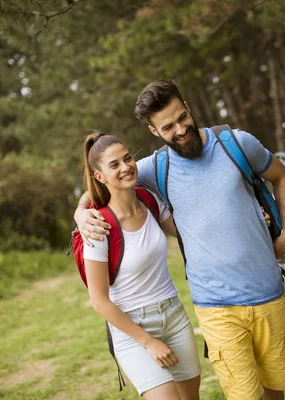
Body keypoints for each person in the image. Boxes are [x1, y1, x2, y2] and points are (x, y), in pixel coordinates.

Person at [75, 79, 285, 400]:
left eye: (183, 117)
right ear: (154, 132)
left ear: (188, 107)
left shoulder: (236, 143)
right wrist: (81, 212)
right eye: (168, 127)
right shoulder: (155, 168)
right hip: (216, 306)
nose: (180, 130)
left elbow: (281, 176)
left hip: (268, 294)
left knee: (275, 391)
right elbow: (107, 182)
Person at [81, 131, 201, 400]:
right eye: (114, 165)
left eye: (127, 158)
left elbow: (189, 234)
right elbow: (99, 300)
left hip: (173, 316)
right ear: (99, 176)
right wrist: (148, 341)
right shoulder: (98, 227)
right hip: (132, 329)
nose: (125, 167)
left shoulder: (150, 201)